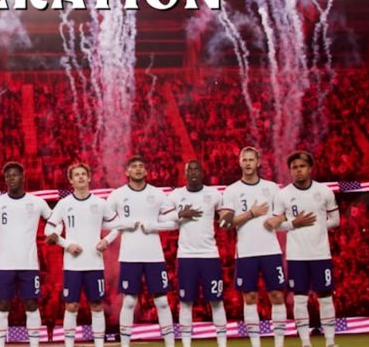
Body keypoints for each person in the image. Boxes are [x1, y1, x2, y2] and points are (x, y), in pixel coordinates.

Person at [218, 146, 287, 347]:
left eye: (251, 160)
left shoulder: (272, 188)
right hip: (246, 252)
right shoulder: (231, 190)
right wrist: (251, 213)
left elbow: (284, 213)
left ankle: (279, 344)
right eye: (244, 160)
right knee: (250, 297)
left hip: (270, 250)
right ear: (240, 163)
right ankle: (255, 344)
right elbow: (224, 223)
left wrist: (278, 219)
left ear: (258, 163)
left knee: (277, 295)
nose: (248, 163)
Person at [44, 163, 118, 347]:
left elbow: (118, 226)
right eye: (76, 175)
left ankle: (99, 345)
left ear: (89, 177)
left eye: (83, 174)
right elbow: (48, 230)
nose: (80, 177)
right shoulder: (64, 204)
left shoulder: (100, 203)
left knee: (97, 305)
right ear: (71, 181)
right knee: (71, 306)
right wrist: (67, 245)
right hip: (72, 265)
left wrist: (106, 240)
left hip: (94, 264)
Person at [107, 157, 176, 347]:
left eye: (141, 166)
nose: (137, 169)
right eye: (134, 167)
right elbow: (104, 221)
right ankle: (125, 345)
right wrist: (124, 224)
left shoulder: (158, 194)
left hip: (154, 256)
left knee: (162, 302)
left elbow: (174, 221)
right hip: (129, 256)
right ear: (127, 172)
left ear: (146, 171)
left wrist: (154, 226)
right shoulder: (117, 195)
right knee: (129, 301)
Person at [0, 162, 51, 347]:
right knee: (3, 306)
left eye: (14, 175)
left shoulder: (37, 202)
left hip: (29, 264)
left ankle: (34, 344)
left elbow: (54, 220)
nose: (11, 178)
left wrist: (52, 234)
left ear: (23, 177)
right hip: (4, 265)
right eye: (7, 176)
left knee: (31, 305)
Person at [278, 151, 340, 347]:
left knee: (326, 298)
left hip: (321, 254)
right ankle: (305, 342)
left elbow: (335, 220)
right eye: (294, 167)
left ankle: (330, 342)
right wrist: (293, 224)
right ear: (290, 171)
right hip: (296, 256)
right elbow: (276, 225)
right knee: (300, 300)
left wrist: (318, 227)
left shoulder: (324, 191)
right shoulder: (283, 194)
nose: (298, 170)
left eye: (302, 166)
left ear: (310, 168)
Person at [167, 161, 227, 347]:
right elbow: (163, 217)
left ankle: (222, 344)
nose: (193, 172)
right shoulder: (176, 195)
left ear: (202, 173)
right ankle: (186, 344)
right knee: (186, 302)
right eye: (189, 170)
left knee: (216, 301)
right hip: (186, 256)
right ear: (185, 174)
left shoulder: (214, 194)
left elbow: (224, 217)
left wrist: (226, 221)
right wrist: (180, 214)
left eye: (196, 169)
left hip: (210, 255)